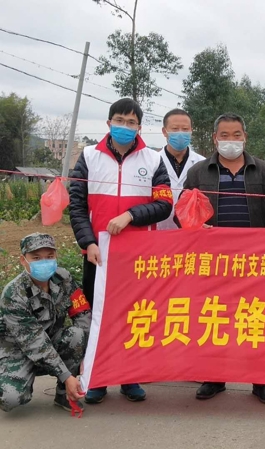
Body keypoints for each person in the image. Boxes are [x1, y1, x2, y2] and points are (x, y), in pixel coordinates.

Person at [69, 98, 173, 404]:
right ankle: (99, 378)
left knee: (135, 315)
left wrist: (131, 215)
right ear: (108, 123)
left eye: (131, 122)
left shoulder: (153, 160)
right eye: (119, 120)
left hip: (138, 255)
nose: (124, 126)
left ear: (139, 127)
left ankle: (130, 377)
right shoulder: (89, 156)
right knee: (100, 316)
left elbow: (164, 204)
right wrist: (88, 242)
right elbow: (76, 206)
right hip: (98, 254)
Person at [182, 113, 265, 404]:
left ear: (245, 137)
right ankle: (213, 377)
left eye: (236, 135)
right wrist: (195, 226)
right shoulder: (199, 173)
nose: (231, 140)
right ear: (215, 138)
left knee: (256, 320)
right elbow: (183, 213)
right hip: (213, 261)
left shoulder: (264, 172)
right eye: (224, 135)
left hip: (254, 260)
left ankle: (261, 381)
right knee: (214, 318)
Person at [0, 233, 91, 413]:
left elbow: (82, 313)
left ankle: (64, 394)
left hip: (51, 340)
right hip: (18, 350)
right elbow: (34, 342)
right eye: (36, 258)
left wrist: (86, 355)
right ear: (23, 260)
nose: (44, 262)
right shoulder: (14, 294)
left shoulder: (63, 278)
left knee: (77, 334)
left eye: (49, 256)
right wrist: (66, 375)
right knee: (10, 399)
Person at [157, 108, 205, 230]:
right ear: (164, 131)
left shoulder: (202, 163)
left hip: (192, 233)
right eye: (175, 129)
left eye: (185, 129)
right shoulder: (153, 162)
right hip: (158, 231)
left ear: (191, 131)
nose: (180, 133)